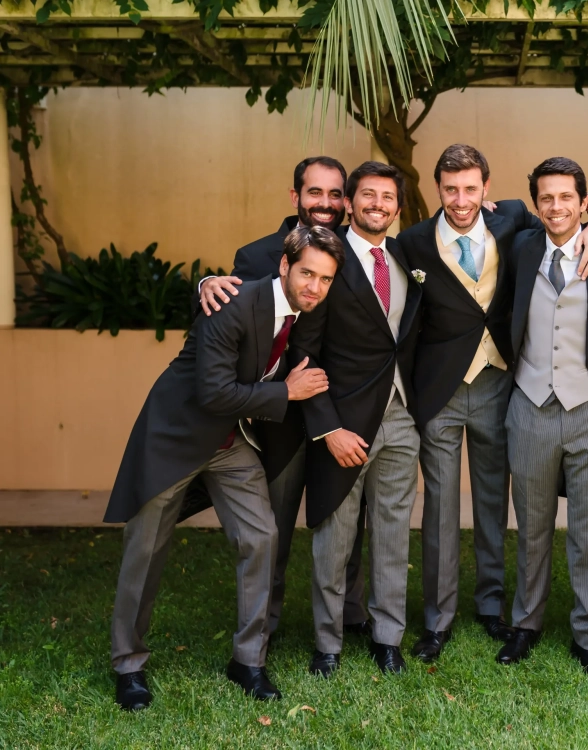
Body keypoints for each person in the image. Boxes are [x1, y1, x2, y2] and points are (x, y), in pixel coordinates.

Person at [104, 226, 343, 711]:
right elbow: (212, 393)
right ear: (284, 266)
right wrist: (286, 392)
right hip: (175, 437)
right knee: (145, 551)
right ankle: (128, 665)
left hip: (229, 442)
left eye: (325, 279)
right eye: (307, 274)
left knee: (261, 536)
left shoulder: (305, 313)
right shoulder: (231, 304)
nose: (314, 286)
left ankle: (248, 660)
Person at [397, 145, 588, 662]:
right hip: (442, 390)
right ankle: (438, 618)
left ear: (487, 188)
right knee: (440, 506)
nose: (461, 199)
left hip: (499, 384)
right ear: (436, 188)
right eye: (450, 189)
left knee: (494, 501)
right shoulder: (413, 243)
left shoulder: (514, 219)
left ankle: (492, 605)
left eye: (470, 188)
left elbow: (569, 220)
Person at [197, 156, 371, 641]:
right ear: (296, 196)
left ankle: (351, 613)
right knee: (273, 526)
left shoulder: (357, 251)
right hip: (282, 418)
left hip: (344, 410)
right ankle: (265, 626)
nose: (326, 203)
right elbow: (225, 310)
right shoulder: (257, 255)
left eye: (335, 194)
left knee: (346, 519)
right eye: (315, 192)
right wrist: (204, 284)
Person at [497, 157, 588, 681]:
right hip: (530, 403)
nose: (556, 207)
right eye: (546, 198)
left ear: (583, 201)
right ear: (536, 204)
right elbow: (484, 214)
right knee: (531, 524)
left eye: (566, 198)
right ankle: (525, 623)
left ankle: (587, 634)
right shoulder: (521, 245)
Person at [289, 161, 423, 676]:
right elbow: (304, 352)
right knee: (334, 540)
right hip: (343, 425)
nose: (377, 205)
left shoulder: (406, 256)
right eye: (367, 195)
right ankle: (328, 644)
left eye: (387, 197)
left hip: (401, 418)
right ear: (349, 202)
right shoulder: (328, 259)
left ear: (398, 206)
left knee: (392, 535)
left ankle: (388, 637)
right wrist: (328, 428)